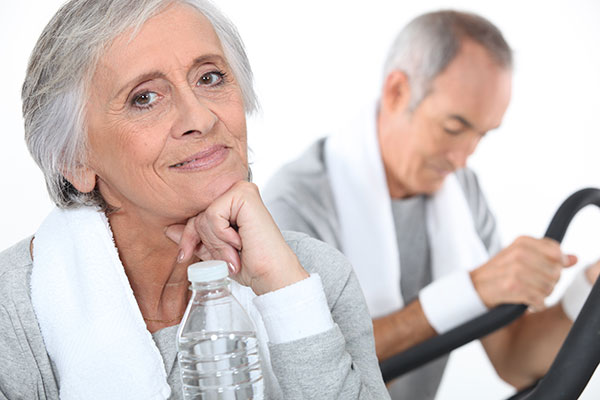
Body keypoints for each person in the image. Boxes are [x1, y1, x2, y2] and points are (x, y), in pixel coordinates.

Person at [0, 1, 390, 399]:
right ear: (74, 159)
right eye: (145, 98)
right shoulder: (10, 315)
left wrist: (285, 296)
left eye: (210, 77)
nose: (201, 118)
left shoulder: (309, 276)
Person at [263, 10, 600, 400]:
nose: (462, 159)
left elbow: (512, 357)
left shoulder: (461, 190)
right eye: (454, 128)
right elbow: (313, 379)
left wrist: (589, 290)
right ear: (397, 92)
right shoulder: (295, 206)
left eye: (481, 136)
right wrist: (468, 292)